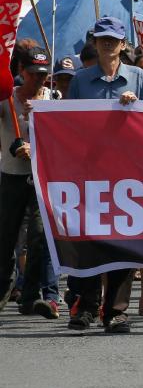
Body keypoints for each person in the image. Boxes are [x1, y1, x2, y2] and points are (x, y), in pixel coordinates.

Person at [65, 17, 143, 334]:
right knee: (90, 242)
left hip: (127, 174)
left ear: (123, 43)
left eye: (113, 39)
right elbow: (66, 124)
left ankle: (116, 312)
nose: (107, 43)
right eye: (101, 38)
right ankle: (87, 307)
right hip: (90, 174)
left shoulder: (138, 78)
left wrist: (136, 109)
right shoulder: (80, 81)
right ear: (94, 42)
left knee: (123, 240)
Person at [0, 48, 58, 318]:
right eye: (34, 74)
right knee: (6, 238)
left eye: (43, 75)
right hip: (11, 177)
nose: (39, 81)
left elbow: (64, 140)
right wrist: (13, 147)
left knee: (39, 235)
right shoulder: (6, 100)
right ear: (21, 71)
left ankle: (31, 295)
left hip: (40, 178)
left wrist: (37, 144)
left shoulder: (52, 98)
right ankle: (3, 291)